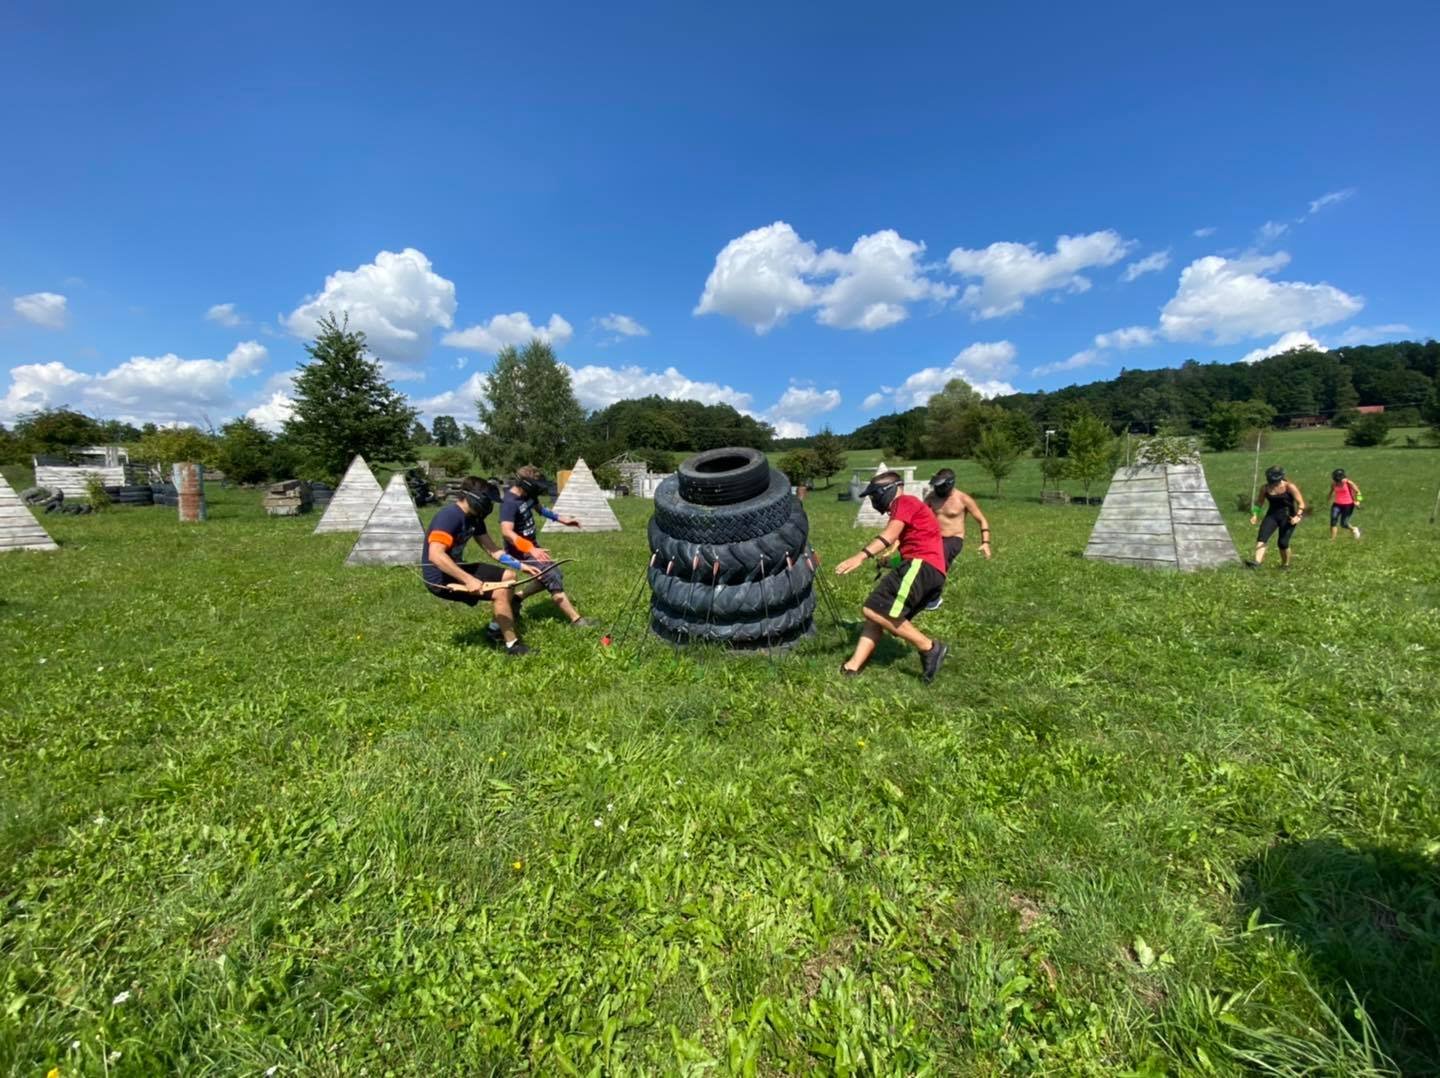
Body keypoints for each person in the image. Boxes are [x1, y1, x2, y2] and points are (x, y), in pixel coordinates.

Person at [835, 471, 948, 681]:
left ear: (887, 491)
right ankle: (852, 666)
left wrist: (860, 557)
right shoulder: (912, 506)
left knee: (873, 608)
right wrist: (890, 562)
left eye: (874, 495)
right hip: (928, 569)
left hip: (921, 566)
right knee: (876, 616)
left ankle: (929, 647)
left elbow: (890, 535)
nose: (873, 501)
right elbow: (916, 545)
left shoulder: (903, 501)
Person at [422, 476, 538, 656]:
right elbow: (435, 555)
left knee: (509, 577)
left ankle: (494, 628)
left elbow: (493, 550)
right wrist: (469, 580)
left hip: (455, 568)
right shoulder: (449, 516)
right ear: (476, 498)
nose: (491, 506)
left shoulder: (474, 519)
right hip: (440, 578)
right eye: (488, 501)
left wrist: (521, 566)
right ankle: (512, 646)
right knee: (501, 592)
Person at [499, 464, 597, 628]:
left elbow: (539, 509)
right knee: (551, 576)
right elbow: (506, 532)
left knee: (552, 574)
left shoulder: (528, 495)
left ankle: (516, 599)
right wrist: (530, 549)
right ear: (527, 484)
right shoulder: (510, 502)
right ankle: (577, 621)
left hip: (533, 547)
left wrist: (561, 519)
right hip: (521, 551)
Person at [921, 468, 992, 609]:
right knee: (922, 562)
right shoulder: (931, 497)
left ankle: (934, 599)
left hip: (954, 538)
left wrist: (985, 543)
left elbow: (982, 520)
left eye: (940, 486)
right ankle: (923, 592)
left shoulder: (963, 499)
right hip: (934, 538)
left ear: (950, 484)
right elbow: (920, 517)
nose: (937, 489)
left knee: (938, 562)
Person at [1247, 466, 1306, 569]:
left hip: (1288, 517)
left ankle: (1285, 565)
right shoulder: (1265, 488)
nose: (1273, 484)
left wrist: (1298, 516)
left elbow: (1301, 503)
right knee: (1262, 537)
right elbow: (1259, 503)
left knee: (1282, 543)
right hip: (1272, 515)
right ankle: (1256, 563)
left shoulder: (1289, 487)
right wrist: (1255, 514)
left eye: (1275, 482)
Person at [1328, 468, 1362, 541]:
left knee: (1344, 524)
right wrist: (1329, 498)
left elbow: (1358, 492)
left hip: (1348, 505)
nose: (1338, 482)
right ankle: (1333, 539)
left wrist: (1358, 501)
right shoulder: (1334, 484)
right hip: (1337, 504)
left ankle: (1354, 529)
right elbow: (1331, 491)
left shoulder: (1348, 483)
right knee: (1333, 520)